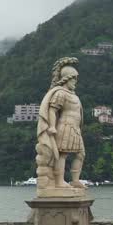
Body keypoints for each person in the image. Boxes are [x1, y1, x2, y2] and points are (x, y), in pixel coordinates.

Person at [35, 57, 85, 190]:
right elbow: (52, 109)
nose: (75, 82)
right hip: (65, 127)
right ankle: (59, 181)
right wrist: (51, 126)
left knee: (81, 154)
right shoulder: (60, 93)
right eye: (73, 79)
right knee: (62, 154)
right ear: (67, 79)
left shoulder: (73, 95)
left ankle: (75, 180)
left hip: (75, 128)